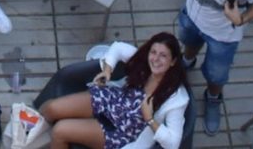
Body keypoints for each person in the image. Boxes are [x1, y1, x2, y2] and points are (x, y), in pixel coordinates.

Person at [128, 0, 253, 135]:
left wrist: (241, 19)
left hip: (223, 35)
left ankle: (213, 97)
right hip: (192, 18)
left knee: (216, 74)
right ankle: (187, 62)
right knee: (188, 42)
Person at [37, 33, 189, 149]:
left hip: (124, 133)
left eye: (163, 56)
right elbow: (118, 48)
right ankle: (30, 134)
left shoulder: (177, 98)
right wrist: (108, 70)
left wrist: (150, 119)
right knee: (50, 108)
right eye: (153, 52)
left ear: (173, 61)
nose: (155, 59)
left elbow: (173, 144)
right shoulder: (144, 63)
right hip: (113, 101)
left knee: (60, 131)